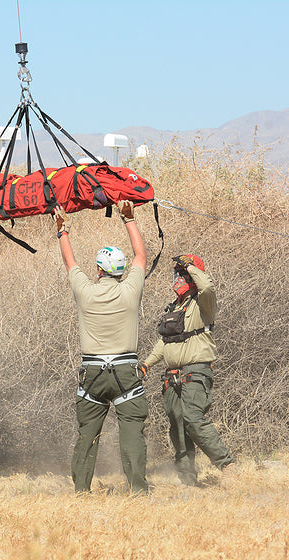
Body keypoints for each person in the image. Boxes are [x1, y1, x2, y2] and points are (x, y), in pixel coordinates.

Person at [54, 200, 149, 494]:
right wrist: (128, 218)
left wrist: (62, 230)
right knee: (132, 436)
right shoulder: (131, 289)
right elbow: (141, 255)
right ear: (120, 270)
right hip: (126, 372)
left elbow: (70, 263)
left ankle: (81, 491)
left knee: (87, 436)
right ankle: (138, 491)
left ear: (98, 269)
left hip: (92, 374)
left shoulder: (86, 292)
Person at [139, 254, 235, 486]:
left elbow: (208, 286)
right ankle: (188, 480)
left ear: (191, 277)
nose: (177, 278)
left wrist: (190, 266)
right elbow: (166, 341)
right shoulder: (175, 307)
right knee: (178, 427)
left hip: (195, 373)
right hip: (172, 378)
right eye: (177, 273)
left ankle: (227, 466)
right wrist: (147, 363)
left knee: (193, 418)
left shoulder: (204, 303)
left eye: (181, 274)